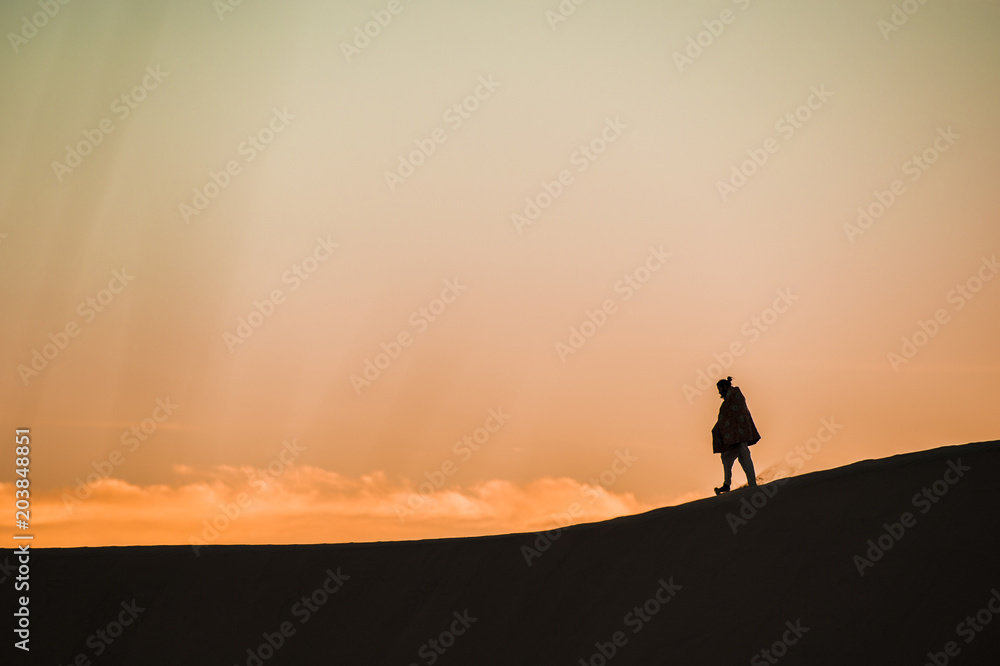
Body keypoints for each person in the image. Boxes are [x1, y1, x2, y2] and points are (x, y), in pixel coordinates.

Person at [711, 376, 760, 495]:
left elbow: (738, 414)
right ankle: (727, 484)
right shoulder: (730, 398)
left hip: (740, 436)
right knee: (726, 457)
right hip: (733, 438)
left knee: (744, 459)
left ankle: (752, 485)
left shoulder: (734, 396)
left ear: (725, 387)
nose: (719, 392)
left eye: (720, 389)